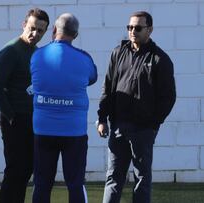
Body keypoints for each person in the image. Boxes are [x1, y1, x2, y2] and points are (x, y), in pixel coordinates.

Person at [96, 11, 176, 203]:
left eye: (138, 28)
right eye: (130, 27)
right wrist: (102, 118)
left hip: (143, 130)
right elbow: (108, 87)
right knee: (113, 177)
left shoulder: (159, 59)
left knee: (141, 178)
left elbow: (168, 97)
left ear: (150, 30)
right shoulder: (118, 52)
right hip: (117, 127)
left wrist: (153, 124)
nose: (133, 31)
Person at [30, 13, 97, 203]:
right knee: (75, 184)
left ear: (53, 31)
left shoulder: (37, 56)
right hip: (74, 132)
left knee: (42, 184)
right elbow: (92, 78)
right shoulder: (84, 59)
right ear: (75, 35)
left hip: (43, 130)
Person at [0, 8, 49, 203]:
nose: (35, 34)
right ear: (24, 24)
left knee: (26, 169)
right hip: (15, 119)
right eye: (32, 28)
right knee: (15, 170)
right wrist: (11, 116)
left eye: (40, 31)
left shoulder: (36, 52)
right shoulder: (11, 51)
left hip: (32, 119)